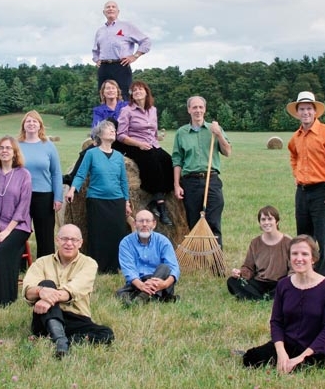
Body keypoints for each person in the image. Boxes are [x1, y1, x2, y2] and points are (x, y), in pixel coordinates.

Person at [239, 235, 325, 373]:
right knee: (250, 358)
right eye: (294, 254)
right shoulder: (283, 285)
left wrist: (300, 358)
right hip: (287, 345)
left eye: (304, 254)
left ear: (313, 258)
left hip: (314, 351)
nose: (299, 258)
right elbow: (276, 322)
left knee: (303, 368)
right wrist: (281, 353)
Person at [22, 224, 114, 358]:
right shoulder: (41, 263)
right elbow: (27, 291)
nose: (69, 243)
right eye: (64, 239)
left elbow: (74, 290)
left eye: (74, 240)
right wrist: (41, 291)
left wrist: (49, 300)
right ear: (57, 240)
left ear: (80, 243)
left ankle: (62, 340)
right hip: (45, 318)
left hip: (76, 318)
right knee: (46, 284)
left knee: (106, 334)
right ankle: (60, 339)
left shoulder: (89, 264)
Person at [287, 91, 325, 278]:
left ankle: (324, 280)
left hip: (322, 191)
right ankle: (304, 276)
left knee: (324, 239)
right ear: (297, 113)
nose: (305, 113)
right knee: (303, 237)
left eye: (309, 109)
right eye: (302, 109)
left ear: (315, 111)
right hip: (302, 192)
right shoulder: (295, 137)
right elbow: (293, 156)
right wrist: (297, 173)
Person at [65, 120, 131, 273]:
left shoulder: (119, 156)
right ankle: (98, 267)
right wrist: (72, 189)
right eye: (108, 129)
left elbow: (123, 181)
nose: (112, 131)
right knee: (98, 234)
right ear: (99, 134)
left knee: (117, 233)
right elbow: (81, 174)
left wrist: (126, 201)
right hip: (96, 200)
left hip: (117, 200)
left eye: (114, 129)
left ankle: (117, 266)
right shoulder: (91, 153)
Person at [0, 136, 33, 312]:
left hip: (18, 226)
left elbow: (23, 206)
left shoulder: (23, 175)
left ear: (15, 152)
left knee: (0, 251)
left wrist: (7, 231)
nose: (4, 151)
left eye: (8, 148)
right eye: (1, 148)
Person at [172, 95, 231, 246]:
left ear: (205, 109)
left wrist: (218, 134)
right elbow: (177, 160)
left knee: (213, 222)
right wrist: (177, 184)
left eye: (200, 107)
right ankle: (199, 259)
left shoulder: (214, 129)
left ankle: (216, 262)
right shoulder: (181, 133)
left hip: (211, 180)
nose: (198, 110)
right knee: (193, 221)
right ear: (188, 110)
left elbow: (228, 152)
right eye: (194, 107)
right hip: (190, 182)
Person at [117, 80, 174, 225]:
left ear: (146, 92)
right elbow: (121, 135)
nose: (137, 92)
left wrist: (156, 141)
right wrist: (139, 144)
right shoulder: (127, 111)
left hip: (152, 144)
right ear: (132, 95)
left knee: (168, 161)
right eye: (134, 90)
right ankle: (160, 204)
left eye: (140, 89)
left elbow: (153, 131)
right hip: (133, 144)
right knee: (152, 161)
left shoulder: (153, 110)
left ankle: (156, 198)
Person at [63, 79, 128, 186]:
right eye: (107, 88)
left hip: (123, 139)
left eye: (113, 88)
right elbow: (95, 127)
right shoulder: (98, 110)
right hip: (106, 141)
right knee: (86, 152)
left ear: (118, 91)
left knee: (110, 121)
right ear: (103, 93)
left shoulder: (126, 106)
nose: (110, 90)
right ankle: (72, 177)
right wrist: (95, 139)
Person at [18, 111, 63, 258]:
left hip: (44, 195)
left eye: (34, 121)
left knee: (45, 233)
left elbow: (56, 173)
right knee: (18, 231)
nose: (31, 124)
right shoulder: (16, 145)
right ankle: (19, 264)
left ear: (40, 125)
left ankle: (45, 263)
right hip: (20, 195)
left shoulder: (48, 146)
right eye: (28, 121)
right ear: (23, 125)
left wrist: (58, 197)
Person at [116, 209, 181, 305]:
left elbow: (174, 268)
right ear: (134, 224)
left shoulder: (163, 241)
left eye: (148, 221)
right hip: (138, 282)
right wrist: (142, 285)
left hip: (160, 281)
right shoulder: (125, 243)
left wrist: (165, 284)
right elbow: (129, 270)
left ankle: (141, 298)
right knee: (120, 293)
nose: (144, 224)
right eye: (141, 221)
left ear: (154, 224)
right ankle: (159, 298)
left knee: (164, 268)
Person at [227, 206, 292, 301]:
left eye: (270, 219)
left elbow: (293, 269)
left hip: (280, 282)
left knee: (289, 287)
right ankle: (262, 298)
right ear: (260, 223)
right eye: (263, 220)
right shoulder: (255, 242)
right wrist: (239, 273)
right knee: (232, 281)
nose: (266, 223)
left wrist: (290, 282)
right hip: (260, 282)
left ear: (277, 221)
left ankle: (259, 297)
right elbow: (249, 267)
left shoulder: (288, 242)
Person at [92, 0, 151, 97]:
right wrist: (97, 60)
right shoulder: (100, 31)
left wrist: (135, 56)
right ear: (104, 12)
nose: (110, 8)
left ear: (118, 11)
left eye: (113, 7)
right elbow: (95, 50)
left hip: (121, 66)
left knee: (123, 97)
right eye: (108, 7)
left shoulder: (127, 26)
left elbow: (146, 41)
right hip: (104, 67)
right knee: (104, 96)